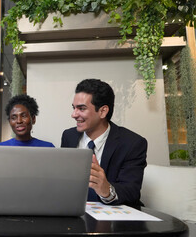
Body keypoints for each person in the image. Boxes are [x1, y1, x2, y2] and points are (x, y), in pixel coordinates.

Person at [61, 79, 147, 207]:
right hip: (74, 209)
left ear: (103, 111)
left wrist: (107, 190)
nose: (74, 114)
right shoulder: (69, 136)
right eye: (74, 108)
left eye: (81, 108)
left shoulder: (133, 143)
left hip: (114, 215)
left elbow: (131, 192)